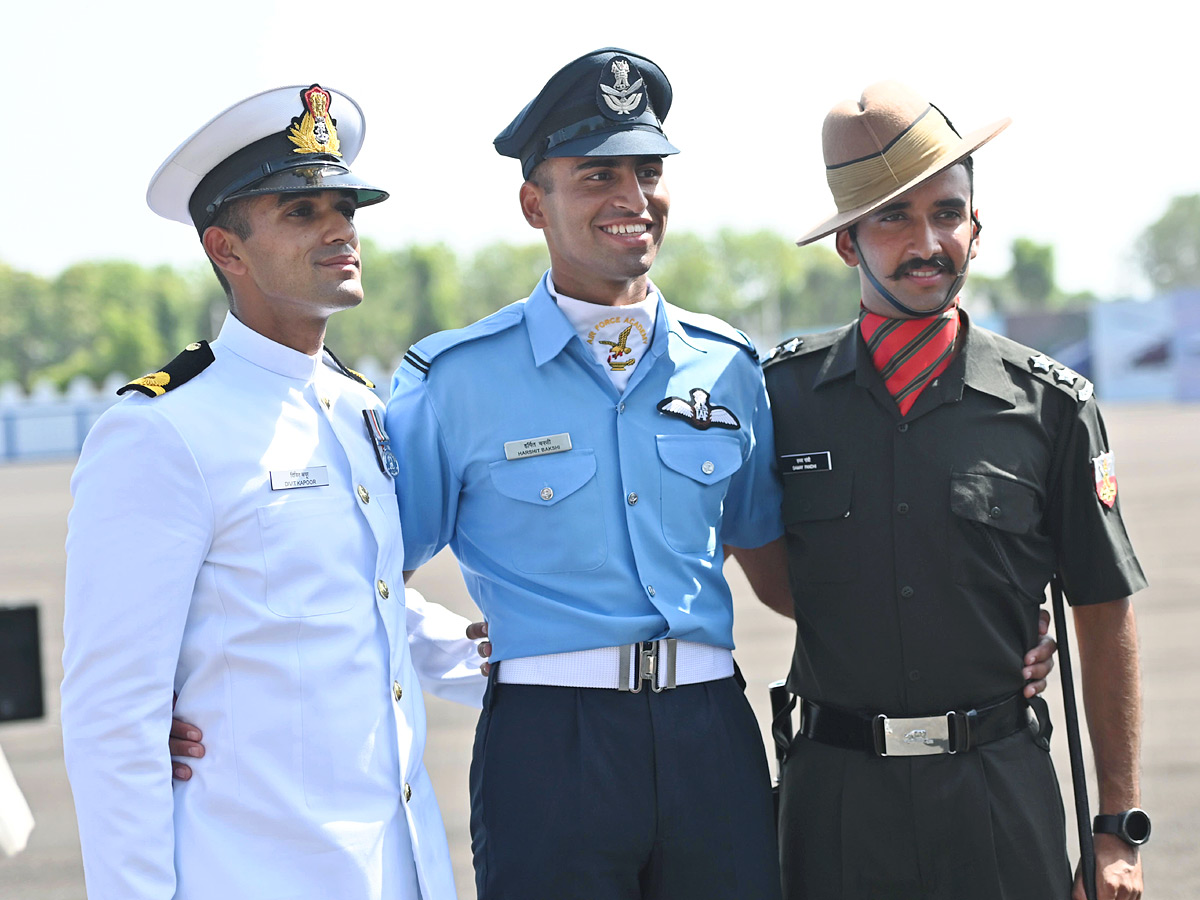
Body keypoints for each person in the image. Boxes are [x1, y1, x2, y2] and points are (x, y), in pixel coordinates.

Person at [61, 84, 486, 900]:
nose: (340, 229)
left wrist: (524, 655)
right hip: (255, 873)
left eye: (346, 207)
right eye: (301, 212)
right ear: (227, 249)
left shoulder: (360, 406)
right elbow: (115, 718)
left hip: (399, 870)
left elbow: (366, 600)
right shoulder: (163, 432)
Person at [385, 48, 786, 899]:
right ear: (535, 202)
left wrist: (956, 641)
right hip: (547, 747)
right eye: (599, 175)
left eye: (649, 171)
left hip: (711, 733)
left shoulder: (729, 369)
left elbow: (785, 573)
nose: (633, 199)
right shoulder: (453, 381)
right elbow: (368, 572)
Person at [754, 82, 1148, 900]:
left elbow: (1103, 610)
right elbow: (765, 568)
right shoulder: (776, 401)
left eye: (947, 212)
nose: (926, 241)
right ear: (848, 243)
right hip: (835, 806)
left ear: (976, 225)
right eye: (893, 218)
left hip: (998, 796)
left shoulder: (1053, 407)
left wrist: (1116, 830)